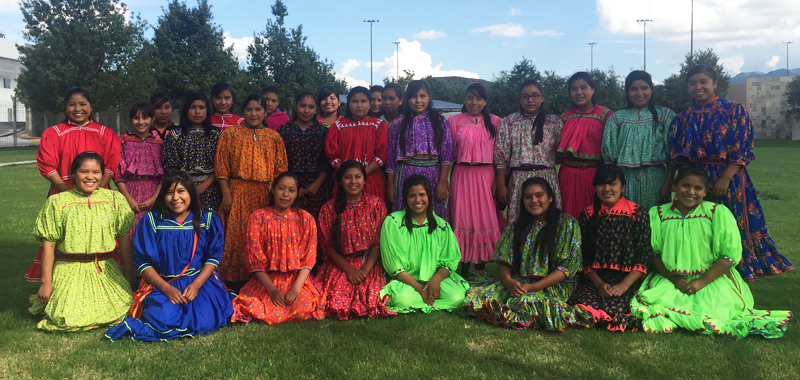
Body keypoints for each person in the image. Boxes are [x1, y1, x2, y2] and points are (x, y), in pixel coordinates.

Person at [630, 167, 792, 338]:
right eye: (685, 185)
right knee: (657, 303)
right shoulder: (658, 214)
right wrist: (674, 278)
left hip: (711, 279)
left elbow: (730, 255)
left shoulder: (717, 213)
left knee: (718, 311)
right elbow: (653, 253)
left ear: (706, 192)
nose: (691, 192)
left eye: (698, 188)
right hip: (670, 278)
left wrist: (701, 282)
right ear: (675, 186)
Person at [670, 65, 792, 281]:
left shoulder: (734, 110)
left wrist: (725, 177)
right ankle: (700, 267)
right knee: (699, 223)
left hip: (729, 178)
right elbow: (675, 155)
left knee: (732, 223)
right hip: (694, 181)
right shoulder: (682, 118)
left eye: (703, 82)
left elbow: (742, 147)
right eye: (692, 83)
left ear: (715, 83)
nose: (698, 87)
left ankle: (736, 266)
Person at [105, 171, 233, 341]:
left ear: (191, 193)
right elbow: (143, 263)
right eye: (169, 192)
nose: (175, 198)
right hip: (162, 283)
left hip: (199, 281)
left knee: (205, 322)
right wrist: (167, 289)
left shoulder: (207, 219)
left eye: (181, 191)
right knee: (162, 319)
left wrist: (195, 286)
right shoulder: (152, 221)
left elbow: (213, 258)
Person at [461, 177, 593, 331]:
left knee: (525, 303)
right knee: (477, 296)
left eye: (539, 195)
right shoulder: (517, 226)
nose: (534, 201)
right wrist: (509, 281)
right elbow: (504, 260)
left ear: (550, 197)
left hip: (553, 285)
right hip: (519, 282)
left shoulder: (567, 224)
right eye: (528, 197)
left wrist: (533, 287)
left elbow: (567, 268)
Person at [29, 152, 135, 331]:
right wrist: (46, 283)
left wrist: (130, 275)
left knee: (122, 309)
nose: (90, 177)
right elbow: (49, 244)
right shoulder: (58, 202)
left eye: (96, 172)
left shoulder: (114, 200)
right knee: (67, 317)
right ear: (73, 174)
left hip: (104, 269)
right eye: (84, 171)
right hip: (69, 270)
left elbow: (124, 239)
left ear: (102, 175)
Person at [27, 87, 121, 282]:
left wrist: (98, 190)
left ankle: (104, 282)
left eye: (82, 104)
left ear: (91, 107)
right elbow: (47, 165)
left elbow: (112, 164)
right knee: (61, 240)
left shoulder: (105, 133)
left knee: (101, 237)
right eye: (72, 104)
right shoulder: (54, 133)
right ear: (65, 107)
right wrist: (68, 192)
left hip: (98, 195)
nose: (77, 109)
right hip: (63, 192)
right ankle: (56, 284)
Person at [230, 172, 325, 325]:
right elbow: (254, 259)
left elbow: (309, 258)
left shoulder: (305, 219)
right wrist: (272, 291)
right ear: (273, 189)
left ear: (297, 194)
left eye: (291, 190)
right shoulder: (257, 218)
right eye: (281, 188)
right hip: (267, 281)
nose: (285, 194)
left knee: (304, 306)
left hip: (296, 280)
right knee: (257, 307)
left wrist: (296, 289)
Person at [216, 93, 288, 289]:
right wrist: (226, 193)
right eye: (249, 109)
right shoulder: (230, 135)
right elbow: (222, 167)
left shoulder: (274, 138)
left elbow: (281, 170)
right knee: (238, 235)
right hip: (237, 192)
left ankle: (260, 280)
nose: (253, 113)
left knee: (262, 236)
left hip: (265, 194)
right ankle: (232, 282)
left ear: (265, 112)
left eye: (258, 109)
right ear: (243, 111)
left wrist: (276, 197)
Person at [567, 166, 651, 332]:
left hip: (628, 279)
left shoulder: (637, 213)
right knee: (583, 307)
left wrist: (624, 286)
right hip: (596, 279)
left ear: (623, 186)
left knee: (621, 310)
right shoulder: (588, 214)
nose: (606, 189)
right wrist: (599, 284)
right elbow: (583, 257)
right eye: (601, 184)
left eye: (612, 184)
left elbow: (644, 255)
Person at [316, 160, 395, 319]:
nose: (353, 182)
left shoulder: (376, 205)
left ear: (364, 180)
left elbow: (378, 243)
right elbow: (327, 246)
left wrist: (364, 271)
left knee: (372, 301)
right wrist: (350, 270)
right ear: (340, 181)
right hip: (341, 264)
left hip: (369, 263)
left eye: (358, 177)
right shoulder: (328, 209)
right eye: (348, 177)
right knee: (336, 302)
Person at [379, 175, 469, 313]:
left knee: (457, 297)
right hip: (407, 280)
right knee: (403, 299)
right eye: (412, 196)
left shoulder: (441, 225)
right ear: (405, 198)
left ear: (429, 197)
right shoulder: (393, 222)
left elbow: (450, 259)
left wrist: (436, 280)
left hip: (435, 279)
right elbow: (394, 264)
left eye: (422, 195)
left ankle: (425, 300)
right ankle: (429, 300)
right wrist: (419, 287)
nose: (418, 200)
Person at [447, 83, 504, 278]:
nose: (474, 102)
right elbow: (449, 152)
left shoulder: (496, 122)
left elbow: (500, 154)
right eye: (470, 97)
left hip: (487, 176)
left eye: (479, 98)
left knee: (483, 220)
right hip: (462, 175)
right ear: (464, 99)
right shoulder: (454, 121)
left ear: (485, 101)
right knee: (462, 218)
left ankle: (480, 270)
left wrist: (498, 180)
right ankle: (461, 269)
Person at [602, 71, 677, 211]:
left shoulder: (665, 116)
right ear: (627, 92)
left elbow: (672, 156)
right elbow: (609, 157)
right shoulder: (617, 118)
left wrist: (667, 185)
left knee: (655, 220)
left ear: (652, 90)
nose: (639, 93)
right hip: (624, 179)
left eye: (644, 88)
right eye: (633, 89)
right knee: (626, 218)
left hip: (656, 179)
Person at [495, 79, 563, 222]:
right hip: (519, 179)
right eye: (525, 96)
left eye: (535, 95)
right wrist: (501, 185)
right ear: (519, 99)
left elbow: (559, 153)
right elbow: (501, 158)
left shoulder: (554, 122)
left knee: (548, 221)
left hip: (547, 178)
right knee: (520, 221)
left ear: (542, 98)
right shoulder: (509, 122)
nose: (530, 100)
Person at [386, 80, 453, 219]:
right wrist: (390, 186)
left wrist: (443, 182)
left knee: (432, 213)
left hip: (433, 175)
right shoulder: (397, 124)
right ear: (406, 99)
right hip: (405, 175)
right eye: (413, 96)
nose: (418, 100)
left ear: (429, 97)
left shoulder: (439, 121)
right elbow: (391, 158)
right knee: (407, 213)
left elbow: (446, 155)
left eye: (422, 96)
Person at [558, 72, 614, 218]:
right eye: (574, 89)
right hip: (567, 175)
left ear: (593, 89)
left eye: (584, 87)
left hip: (595, 175)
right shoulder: (563, 118)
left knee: (595, 216)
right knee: (568, 216)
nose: (579, 92)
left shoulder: (606, 116)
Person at [325, 86, 388, 201]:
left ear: (369, 103)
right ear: (348, 103)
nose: (359, 105)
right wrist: (347, 175)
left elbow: (381, 155)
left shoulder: (379, 125)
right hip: (345, 181)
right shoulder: (337, 126)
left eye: (363, 101)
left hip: (371, 180)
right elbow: (332, 155)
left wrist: (362, 174)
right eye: (355, 101)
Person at [163, 92, 222, 210]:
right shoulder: (175, 136)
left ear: (207, 110)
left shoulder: (217, 135)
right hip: (182, 190)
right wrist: (186, 187)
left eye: (202, 107)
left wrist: (204, 185)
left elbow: (222, 165)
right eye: (193, 107)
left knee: (209, 223)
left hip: (211, 189)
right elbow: (170, 167)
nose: (197, 112)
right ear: (186, 110)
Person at [277, 92, 332, 219]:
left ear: (316, 109)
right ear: (295, 107)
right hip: (290, 189)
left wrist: (317, 184)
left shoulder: (323, 132)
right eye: (302, 106)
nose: (306, 110)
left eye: (311, 107)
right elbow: (280, 161)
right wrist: (295, 187)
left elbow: (328, 161)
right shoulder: (284, 131)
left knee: (316, 225)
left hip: (318, 188)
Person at [115, 101, 164, 238]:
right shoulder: (123, 141)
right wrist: (128, 198)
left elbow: (163, 176)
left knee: (152, 234)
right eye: (136, 118)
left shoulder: (159, 143)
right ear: (131, 119)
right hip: (129, 192)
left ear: (152, 119)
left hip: (153, 194)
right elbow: (118, 174)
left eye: (145, 118)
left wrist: (155, 198)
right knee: (129, 233)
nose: (140, 122)